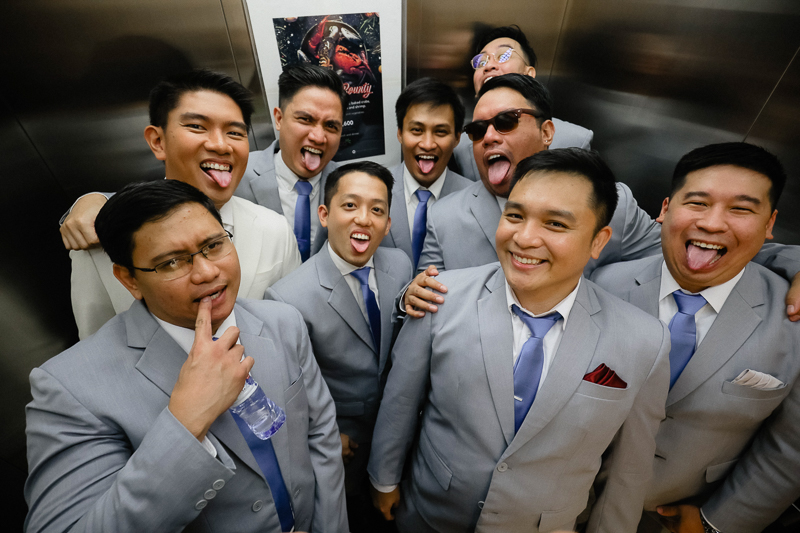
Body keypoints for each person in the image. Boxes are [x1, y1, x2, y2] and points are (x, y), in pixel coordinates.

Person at [369, 148, 670, 533]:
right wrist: (384, 479)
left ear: (598, 241)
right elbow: (401, 399)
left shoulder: (643, 341)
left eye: (555, 224)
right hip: (432, 511)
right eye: (514, 215)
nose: (524, 238)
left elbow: (628, 468)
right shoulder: (440, 296)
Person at [25, 179, 347, 532]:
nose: (208, 272)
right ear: (129, 279)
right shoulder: (69, 389)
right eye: (171, 262)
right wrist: (186, 421)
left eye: (213, 245)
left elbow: (320, 434)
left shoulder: (283, 322)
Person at [404, 74, 800, 323]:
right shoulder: (446, 215)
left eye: (505, 121)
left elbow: (696, 245)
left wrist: (793, 264)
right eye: (477, 130)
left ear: (547, 132)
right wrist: (409, 296)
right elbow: (424, 296)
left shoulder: (614, 204)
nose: (489, 136)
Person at [591, 142, 800, 533]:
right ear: (665, 209)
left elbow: (789, 449)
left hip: (678, 517)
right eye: (698, 203)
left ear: (770, 223)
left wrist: (715, 523)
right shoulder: (604, 285)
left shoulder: (792, 321)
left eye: (741, 209)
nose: (713, 224)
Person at [59, 69, 301, 339]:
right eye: (197, 126)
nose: (221, 145)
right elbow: (96, 341)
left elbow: (286, 328)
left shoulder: (275, 229)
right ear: (158, 141)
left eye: (234, 132)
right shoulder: (100, 238)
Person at [266, 161, 413, 532]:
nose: (364, 219)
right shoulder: (288, 297)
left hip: (401, 438)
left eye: (377, 210)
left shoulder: (400, 265)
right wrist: (329, 433)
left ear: (388, 224)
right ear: (324, 214)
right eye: (350, 205)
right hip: (344, 447)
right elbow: (289, 389)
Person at [451, 24, 593, 182]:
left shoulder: (575, 140)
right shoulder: (459, 148)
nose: (489, 66)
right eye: (481, 62)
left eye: (503, 56)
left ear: (528, 74)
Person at [235, 64, 348, 261]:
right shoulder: (237, 175)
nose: (318, 137)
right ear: (279, 119)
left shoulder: (347, 184)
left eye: (331, 125)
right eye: (305, 119)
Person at [381, 77, 471, 268]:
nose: (428, 144)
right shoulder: (375, 190)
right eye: (416, 130)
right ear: (400, 133)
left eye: (440, 132)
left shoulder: (472, 200)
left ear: (457, 138)